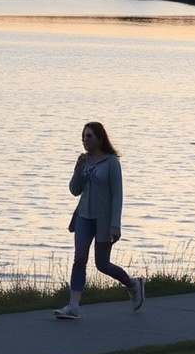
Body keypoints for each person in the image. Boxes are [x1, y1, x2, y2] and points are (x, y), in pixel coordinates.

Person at [54, 121, 144, 320]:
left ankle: (133, 284)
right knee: (79, 260)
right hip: (83, 217)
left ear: (99, 138)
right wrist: (77, 169)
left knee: (102, 264)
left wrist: (115, 225)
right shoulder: (84, 161)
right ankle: (73, 306)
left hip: (103, 220)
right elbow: (74, 190)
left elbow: (117, 196)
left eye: (89, 136)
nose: (85, 140)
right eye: (83, 137)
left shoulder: (111, 162)